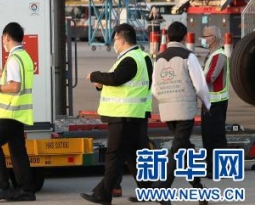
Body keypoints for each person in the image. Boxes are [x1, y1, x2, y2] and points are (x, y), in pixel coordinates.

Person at [80, 24, 152, 205]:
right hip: (137, 114)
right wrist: (101, 85)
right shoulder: (143, 57)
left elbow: (115, 78)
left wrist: (95, 75)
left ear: (121, 40)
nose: (114, 44)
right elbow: (124, 82)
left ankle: (102, 194)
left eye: (115, 40)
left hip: (124, 116)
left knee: (114, 156)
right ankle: (149, 192)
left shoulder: (130, 59)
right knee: (135, 157)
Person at [151, 22, 210, 201]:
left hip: (167, 111)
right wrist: (208, 104)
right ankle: (162, 188)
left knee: (185, 148)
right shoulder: (188, 56)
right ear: (185, 37)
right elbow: (200, 85)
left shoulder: (159, 59)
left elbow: (154, 88)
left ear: (167, 37)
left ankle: (199, 189)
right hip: (185, 110)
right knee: (178, 148)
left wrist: (166, 101)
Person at [0, 22, 36, 202]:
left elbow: (14, 86)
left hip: (9, 111)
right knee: (18, 151)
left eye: (3, 38)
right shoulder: (24, 56)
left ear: (6, 37)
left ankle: (2, 187)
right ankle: (26, 190)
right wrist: (2, 73)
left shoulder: (13, 59)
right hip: (19, 112)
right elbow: (17, 79)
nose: (3, 42)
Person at [200, 26, 229, 179]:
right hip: (209, 101)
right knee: (208, 137)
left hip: (216, 102)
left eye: (206, 36)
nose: (204, 39)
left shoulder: (219, 56)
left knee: (216, 137)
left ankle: (221, 169)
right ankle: (211, 168)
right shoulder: (211, 54)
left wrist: (194, 81)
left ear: (214, 37)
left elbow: (210, 77)